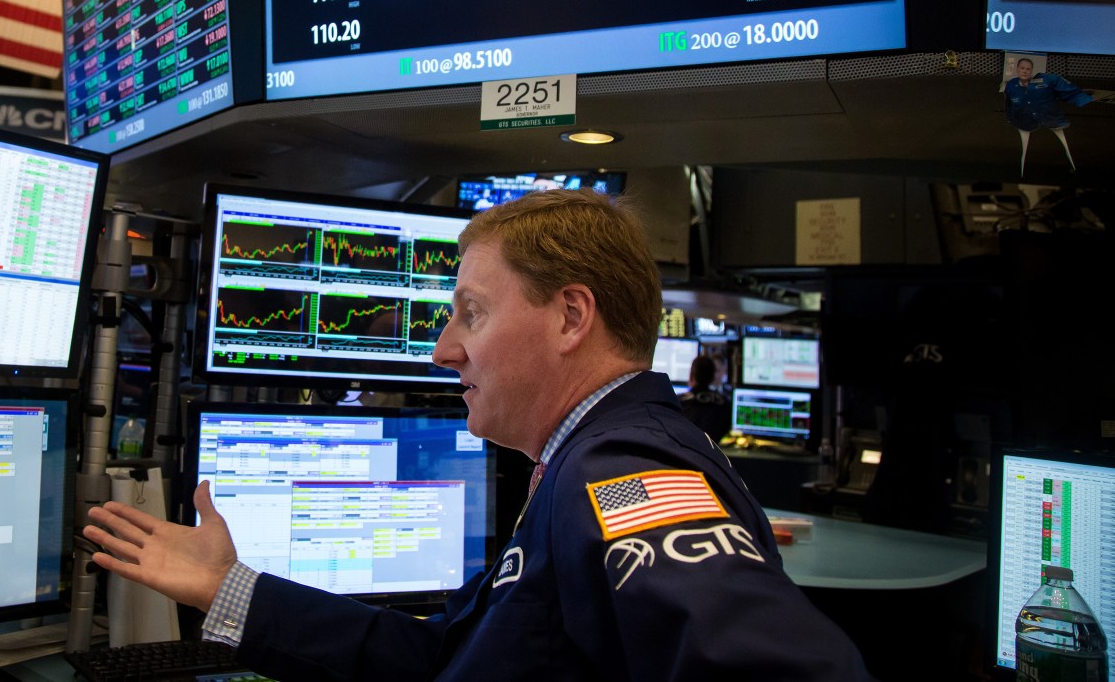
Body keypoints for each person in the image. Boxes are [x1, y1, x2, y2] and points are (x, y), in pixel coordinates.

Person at [84, 189, 874, 680]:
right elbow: (443, 659)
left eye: (472, 313)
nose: (442, 349)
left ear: (570, 317)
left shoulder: (621, 467)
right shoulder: (572, 468)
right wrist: (233, 590)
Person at [1004, 56, 1093, 174]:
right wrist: (1011, 119)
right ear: (1017, 69)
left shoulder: (1047, 80)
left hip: (1055, 123)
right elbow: (1009, 104)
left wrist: (1085, 101)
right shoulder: (1011, 85)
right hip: (1025, 125)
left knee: (1067, 150)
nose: (1024, 71)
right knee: (1024, 154)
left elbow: (1071, 92)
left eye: (1028, 69)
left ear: (1031, 71)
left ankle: (1074, 169)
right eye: (1022, 68)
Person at [679, 353, 732, 442]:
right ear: (712, 377)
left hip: (683, 453)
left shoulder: (679, 402)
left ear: (691, 375)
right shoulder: (724, 403)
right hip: (712, 454)